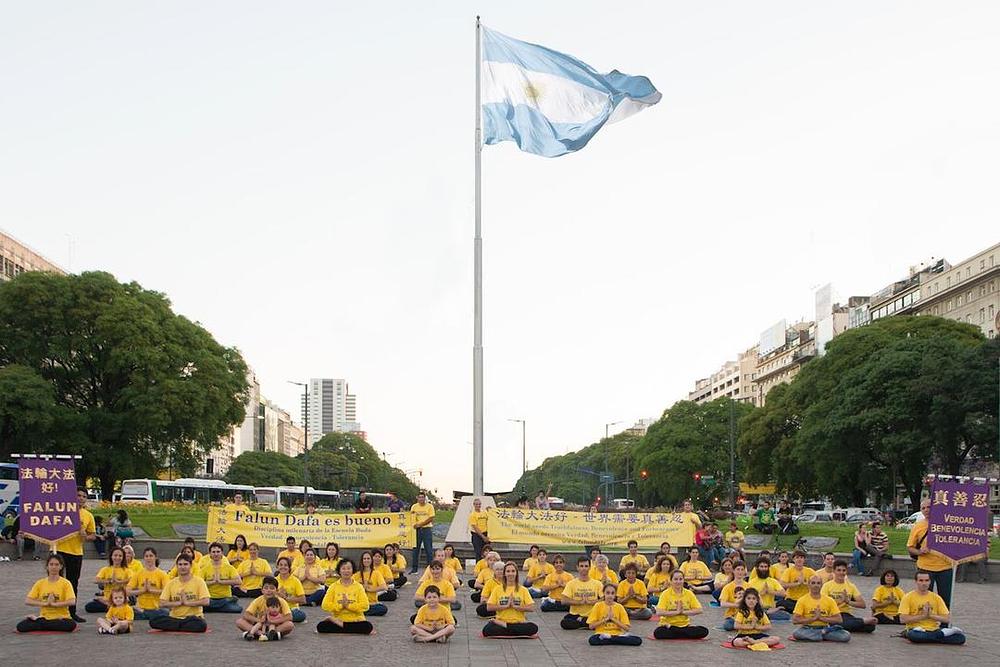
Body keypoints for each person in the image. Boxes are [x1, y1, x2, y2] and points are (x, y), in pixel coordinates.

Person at [54, 487, 96, 623]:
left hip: (76, 552)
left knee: (73, 583)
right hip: (59, 550)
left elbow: (93, 535)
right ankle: (56, 611)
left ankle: (72, 612)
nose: (81, 498)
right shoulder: (62, 510)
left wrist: (85, 536)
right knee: (57, 581)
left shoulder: (88, 515)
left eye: (84, 496)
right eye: (78, 495)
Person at [907, 498, 954, 609]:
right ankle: (926, 619)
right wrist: (920, 551)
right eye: (923, 508)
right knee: (925, 599)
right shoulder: (918, 526)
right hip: (925, 568)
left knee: (945, 599)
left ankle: (944, 619)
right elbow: (910, 547)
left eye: (929, 507)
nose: (926, 510)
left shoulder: (947, 523)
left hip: (945, 567)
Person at [898, 571, 966, 644]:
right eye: (921, 580)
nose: (924, 583)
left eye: (926, 580)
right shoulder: (908, 597)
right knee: (913, 635)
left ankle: (934, 637)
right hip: (916, 629)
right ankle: (942, 634)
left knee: (961, 638)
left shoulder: (936, 597)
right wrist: (923, 616)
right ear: (916, 582)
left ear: (930, 582)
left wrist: (931, 615)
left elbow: (947, 619)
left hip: (934, 629)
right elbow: (902, 619)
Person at [16, 554, 78, 633]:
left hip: (61, 618)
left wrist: (54, 604)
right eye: (51, 564)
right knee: (21, 626)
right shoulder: (40, 583)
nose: (54, 567)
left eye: (56, 565)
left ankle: (42, 624)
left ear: (61, 567)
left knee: (71, 625)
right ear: (47, 567)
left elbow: (72, 601)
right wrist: (45, 603)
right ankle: (44, 623)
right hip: (44, 617)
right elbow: (28, 601)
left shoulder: (66, 583)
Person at [150, 553, 209, 632]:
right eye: (180, 564)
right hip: (175, 618)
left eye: (185, 564)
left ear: (191, 566)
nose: (183, 567)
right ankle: (181, 625)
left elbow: (206, 601)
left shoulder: (199, 581)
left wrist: (187, 603)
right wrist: (178, 603)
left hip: (193, 618)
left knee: (201, 624)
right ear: (177, 566)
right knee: (154, 620)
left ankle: (175, 626)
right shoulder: (171, 583)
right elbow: (161, 603)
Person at [317, 559, 373, 634]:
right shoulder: (333, 586)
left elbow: (365, 606)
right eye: (343, 568)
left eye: (349, 568)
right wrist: (340, 606)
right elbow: (325, 605)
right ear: (339, 571)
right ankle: (347, 627)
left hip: (355, 620)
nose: (346, 571)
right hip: (338, 619)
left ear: (353, 570)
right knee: (321, 626)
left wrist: (348, 606)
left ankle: (342, 625)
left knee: (367, 626)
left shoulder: (358, 587)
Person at [482, 561, 538, 637]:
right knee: (487, 630)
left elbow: (531, 608)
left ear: (516, 573)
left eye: (513, 571)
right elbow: (489, 607)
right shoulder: (497, 589)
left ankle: (506, 626)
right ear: (504, 574)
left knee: (533, 627)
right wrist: (506, 606)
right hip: (501, 622)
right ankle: (512, 629)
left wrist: (516, 606)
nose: (510, 574)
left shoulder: (523, 590)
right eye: (508, 571)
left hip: (517, 622)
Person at [820, 559, 876, 633]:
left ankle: (841, 627)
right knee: (840, 622)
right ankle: (860, 621)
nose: (841, 573)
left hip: (846, 615)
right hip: (832, 615)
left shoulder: (851, 586)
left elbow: (862, 605)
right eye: (839, 570)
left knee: (871, 627)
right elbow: (822, 605)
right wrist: (839, 601)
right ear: (834, 571)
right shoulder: (827, 586)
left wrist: (848, 601)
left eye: (844, 570)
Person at [790, 574, 849, 642]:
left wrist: (821, 618)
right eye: (813, 583)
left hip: (825, 628)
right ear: (808, 585)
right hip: (808, 629)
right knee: (797, 634)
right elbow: (795, 620)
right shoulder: (802, 600)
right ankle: (822, 634)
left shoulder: (829, 600)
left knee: (846, 636)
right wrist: (813, 618)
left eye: (818, 583)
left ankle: (817, 636)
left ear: (821, 585)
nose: (816, 585)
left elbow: (839, 619)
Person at [652, 570, 710, 639]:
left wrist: (682, 612)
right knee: (658, 633)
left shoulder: (689, 593)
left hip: (684, 625)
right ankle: (682, 633)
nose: (678, 582)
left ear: (683, 580)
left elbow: (699, 610)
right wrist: (676, 612)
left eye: (680, 579)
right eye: (675, 579)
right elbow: (659, 612)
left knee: (704, 631)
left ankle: (676, 631)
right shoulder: (665, 594)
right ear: (671, 581)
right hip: (668, 625)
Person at [236, 576, 294, 641]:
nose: (269, 590)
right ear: (262, 590)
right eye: (266, 588)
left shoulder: (281, 601)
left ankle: (265, 633)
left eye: (272, 588)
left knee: (290, 625)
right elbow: (246, 615)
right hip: (260, 625)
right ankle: (261, 633)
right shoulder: (258, 600)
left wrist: (272, 621)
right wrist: (259, 620)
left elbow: (289, 617)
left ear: (277, 590)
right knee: (239, 622)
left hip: (276, 625)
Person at [586, 582, 642, 646]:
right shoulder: (598, 605)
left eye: (612, 593)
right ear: (604, 593)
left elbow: (627, 628)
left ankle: (611, 639)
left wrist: (613, 619)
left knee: (638, 640)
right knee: (592, 640)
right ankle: (615, 640)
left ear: (615, 595)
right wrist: (605, 619)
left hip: (617, 634)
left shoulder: (619, 607)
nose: (610, 595)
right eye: (608, 593)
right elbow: (591, 626)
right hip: (602, 634)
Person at [559, 556, 603, 630]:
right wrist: (579, 602)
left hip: (592, 615)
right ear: (577, 567)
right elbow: (563, 601)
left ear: (590, 567)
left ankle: (583, 623)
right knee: (564, 622)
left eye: (586, 566)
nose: (584, 568)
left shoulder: (597, 583)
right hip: (575, 615)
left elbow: (603, 599)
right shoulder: (571, 583)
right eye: (581, 566)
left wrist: (591, 602)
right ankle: (586, 623)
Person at [199, 541, 243, 613]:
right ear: (210, 554)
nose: (216, 554)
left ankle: (217, 607)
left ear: (222, 553)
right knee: (203, 605)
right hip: (210, 598)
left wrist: (221, 582)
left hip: (225, 598)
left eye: (218, 552)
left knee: (238, 609)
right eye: (213, 552)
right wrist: (213, 582)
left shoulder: (229, 567)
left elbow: (239, 581)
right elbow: (199, 584)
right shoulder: (204, 568)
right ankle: (222, 605)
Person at [128, 547, 169, 620]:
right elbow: (127, 591)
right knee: (126, 610)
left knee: (166, 612)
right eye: (146, 556)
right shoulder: (138, 573)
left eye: (151, 556)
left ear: (155, 557)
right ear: (144, 558)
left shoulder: (162, 574)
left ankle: (148, 614)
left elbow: (167, 591)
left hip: (157, 608)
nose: (148, 558)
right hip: (141, 609)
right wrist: (142, 591)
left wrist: (151, 590)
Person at [85, 546, 130, 613]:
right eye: (115, 555)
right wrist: (109, 581)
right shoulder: (105, 569)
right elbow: (96, 580)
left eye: (120, 556)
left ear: (123, 558)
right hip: (107, 598)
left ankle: (113, 607)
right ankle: (113, 607)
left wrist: (119, 581)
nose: (117, 558)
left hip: (120, 598)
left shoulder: (127, 570)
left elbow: (132, 579)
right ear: (111, 556)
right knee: (89, 607)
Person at [354, 550, 388, 616]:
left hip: (372, 603)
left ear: (371, 560)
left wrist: (371, 589)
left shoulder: (376, 573)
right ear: (362, 560)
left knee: (383, 609)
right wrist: (362, 588)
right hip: (360, 603)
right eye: (364, 559)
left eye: (368, 558)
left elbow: (384, 587)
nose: (366, 560)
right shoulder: (356, 575)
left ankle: (360, 612)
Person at [409, 492, 436, 574]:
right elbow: (411, 517)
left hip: (426, 529)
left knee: (428, 549)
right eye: (419, 497)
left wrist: (421, 524)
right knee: (415, 549)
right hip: (416, 530)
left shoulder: (430, 506)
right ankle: (414, 569)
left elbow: (431, 518)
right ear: (417, 498)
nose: (421, 499)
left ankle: (431, 568)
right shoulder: (414, 506)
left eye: (422, 497)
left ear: (425, 498)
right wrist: (414, 525)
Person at [274, 556, 307, 622]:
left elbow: (303, 600)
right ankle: (282, 618)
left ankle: (279, 619)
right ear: (277, 567)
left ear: (289, 567)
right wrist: (277, 594)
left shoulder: (295, 580)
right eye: (281, 565)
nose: (283, 567)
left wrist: (286, 597)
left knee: (301, 615)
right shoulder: (274, 580)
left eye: (285, 565)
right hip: (277, 609)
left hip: (292, 609)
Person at [718, 561, 748, 631]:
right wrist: (736, 605)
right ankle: (744, 626)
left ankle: (742, 625)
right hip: (732, 616)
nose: (740, 572)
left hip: (746, 614)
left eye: (742, 570)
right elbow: (722, 603)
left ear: (744, 571)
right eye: (738, 569)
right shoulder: (727, 587)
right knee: (727, 626)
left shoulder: (749, 586)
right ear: (733, 571)